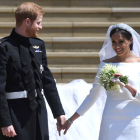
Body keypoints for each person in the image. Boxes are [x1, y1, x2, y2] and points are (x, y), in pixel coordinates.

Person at [59, 23, 140, 140]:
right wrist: (71, 120)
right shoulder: (105, 64)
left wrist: (126, 85)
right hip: (111, 119)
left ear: (130, 40)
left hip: (134, 119)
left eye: (121, 41)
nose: (117, 46)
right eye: (113, 41)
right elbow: (92, 96)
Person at [0, 2, 66, 140]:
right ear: (27, 21)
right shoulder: (4, 48)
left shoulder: (38, 45)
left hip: (38, 111)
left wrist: (58, 112)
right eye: (38, 23)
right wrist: (5, 122)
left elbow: (47, 81)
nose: (40, 27)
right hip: (15, 115)